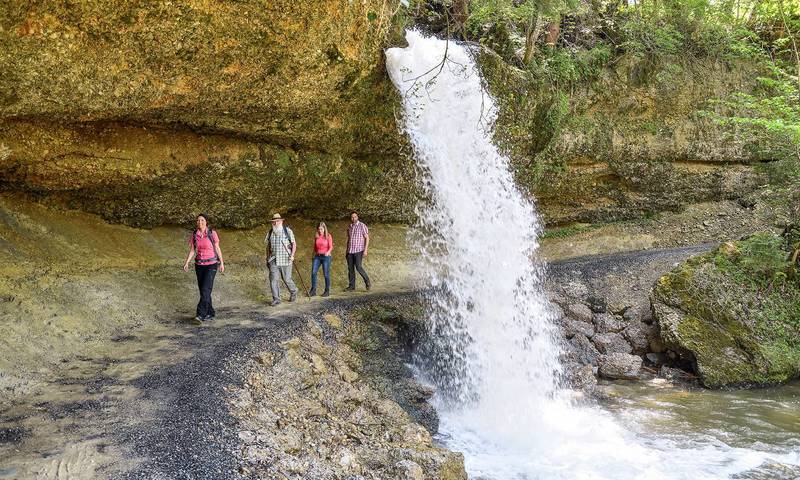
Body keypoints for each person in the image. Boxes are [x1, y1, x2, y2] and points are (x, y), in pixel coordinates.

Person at [183, 213, 225, 321]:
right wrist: (187, 262)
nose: (200, 222)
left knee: (206, 289)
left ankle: (200, 314)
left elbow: (217, 248)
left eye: (202, 220)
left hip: (211, 265)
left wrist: (222, 262)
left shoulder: (212, 233)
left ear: (206, 222)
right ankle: (210, 312)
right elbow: (192, 250)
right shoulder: (194, 234)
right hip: (199, 265)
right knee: (203, 290)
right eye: (198, 220)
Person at [265, 213, 298, 306]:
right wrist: (267, 258)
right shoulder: (270, 232)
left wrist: (292, 255)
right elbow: (268, 246)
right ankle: (276, 299)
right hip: (274, 260)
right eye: (273, 222)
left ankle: (294, 291)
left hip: (286, 259)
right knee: (273, 280)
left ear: (281, 221)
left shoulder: (288, 231)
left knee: (287, 279)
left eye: (277, 221)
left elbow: (294, 244)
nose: (275, 223)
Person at [345, 211, 371, 291]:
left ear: (357, 217)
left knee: (358, 267)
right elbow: (349, 239)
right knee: (350, 269)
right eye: (352, 217)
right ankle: (352, 286)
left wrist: (365, 250)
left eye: (355, 217)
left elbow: (367, 238)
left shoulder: (362, 226)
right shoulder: (350, 227)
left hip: (359, 250)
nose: (353, 218)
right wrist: (347, 251)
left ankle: (367, 282)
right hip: (350, 251)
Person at [310, 222, 333, 297]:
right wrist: (313, 255)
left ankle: (327, 291)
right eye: (319, 229)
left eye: (321, 229)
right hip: (317, 256)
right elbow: (315, 247)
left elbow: (331, 247)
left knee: (326, 274)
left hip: (326, 257)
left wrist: (328, 252)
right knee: (313, 272)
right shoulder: (317, 236)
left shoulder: (328, 236)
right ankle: (313, 290)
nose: (320, 231)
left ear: (324, 228)